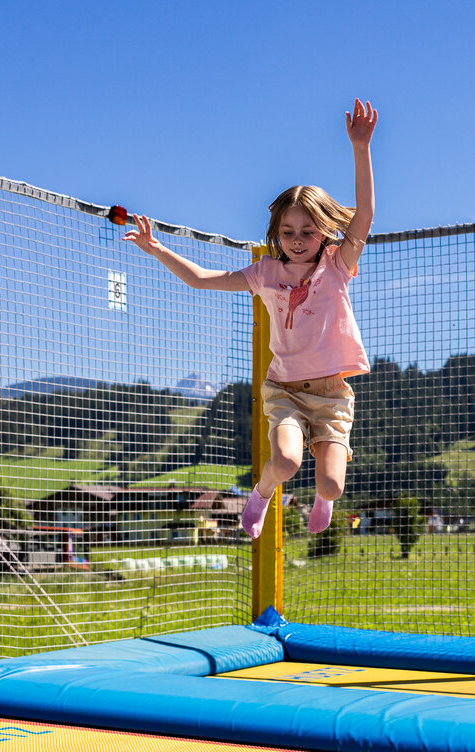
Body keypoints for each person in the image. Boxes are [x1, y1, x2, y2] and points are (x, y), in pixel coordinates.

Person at [127, 98, 377, 538]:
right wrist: (158, 249)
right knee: (285, 461)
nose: (297, 241)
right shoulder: (264, 273)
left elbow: (365, 216)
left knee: (333, 483)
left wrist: (361, 147)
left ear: (323, 233)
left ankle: (322, 499)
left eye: (307, 232)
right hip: (283, 389)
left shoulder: (338, 265)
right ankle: (261, 494)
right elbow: (202, 280)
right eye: (287, 232)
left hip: (333, 393)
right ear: (274, 234)